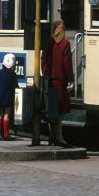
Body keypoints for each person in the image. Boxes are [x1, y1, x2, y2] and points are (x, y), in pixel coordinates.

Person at [41, 19, 74, 147]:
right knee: (59, 111)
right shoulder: (65, 43)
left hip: (49, 80)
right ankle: (59, 137)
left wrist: (45, 74)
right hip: (61, 81)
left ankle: (52, 135)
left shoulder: (48, 42)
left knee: (51, 109)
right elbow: (67, 64)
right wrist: (70, 79)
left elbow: (43, 59)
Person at [0, 53, 18, 140]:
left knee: (0, 114)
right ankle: (6, 135)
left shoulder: (0, 73)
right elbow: (15, 86)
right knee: (6, 114)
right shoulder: (13, 74)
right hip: (8, 96)